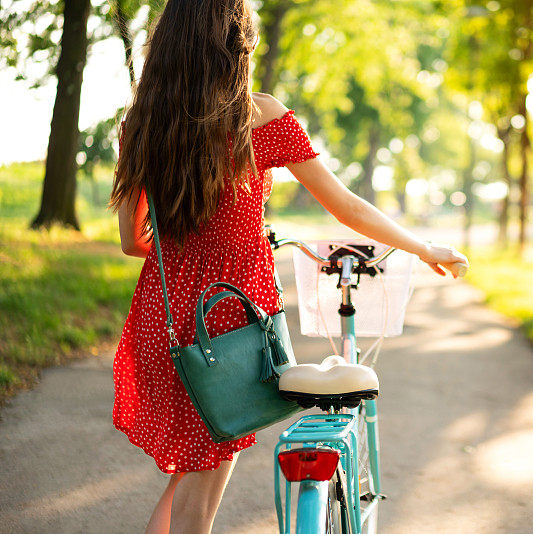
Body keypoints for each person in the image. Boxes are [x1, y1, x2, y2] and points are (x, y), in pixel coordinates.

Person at [107, 0, 469, 532]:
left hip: (163, 324)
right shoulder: (259, 116)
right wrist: (423, 248)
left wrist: (190, 246)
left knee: (186, 474)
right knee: (199, 497)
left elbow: (133, 241)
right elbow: (346, 206)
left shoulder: (142, 125)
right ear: (235, 46)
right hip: (230, 326)